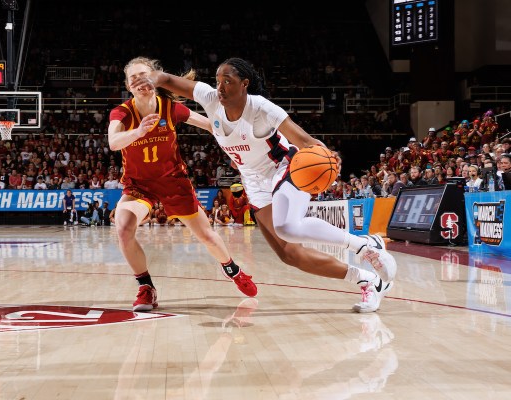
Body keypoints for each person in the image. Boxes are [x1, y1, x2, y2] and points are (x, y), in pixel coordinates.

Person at [133, 57, 397, 313]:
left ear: (244, 83)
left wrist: (329, 156)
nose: (220, 87)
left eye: (228, 81)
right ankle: (368, 280)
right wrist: (150, 79)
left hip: (285, 165)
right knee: (289, 254)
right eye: (218, 81)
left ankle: (364, 245)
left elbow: (303, 139)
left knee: (288, 226)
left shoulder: (261, 108)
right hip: (254, 181)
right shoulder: (210, 98)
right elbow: (167, 79)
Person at [108, 56, 256, 312]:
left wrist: (238, 148)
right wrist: (138, 132)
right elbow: (114, 142)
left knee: (207, 236)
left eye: (143, 75)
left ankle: (233, 270)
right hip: (139, 185)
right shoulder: (122, 112)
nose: (139, 81)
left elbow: (211, 125)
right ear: (128, 86)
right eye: (133, 78)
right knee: (123, 228)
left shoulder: (169, 108)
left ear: (154, 78)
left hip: (174, 182)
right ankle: (146, 288)